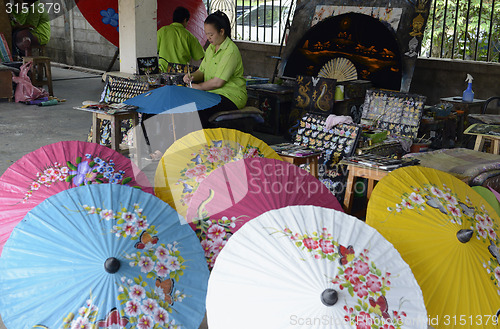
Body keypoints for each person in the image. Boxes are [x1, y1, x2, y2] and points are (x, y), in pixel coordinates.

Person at [183, 10, 247, 127]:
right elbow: (201, 71)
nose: (208, 38)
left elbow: (218, 82)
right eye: (206, 34)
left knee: (199, 110)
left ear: (222, 31)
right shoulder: (211, 49)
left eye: (211, 34)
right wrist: (191, 77)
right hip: (212, 94)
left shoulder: (230, 51)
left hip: (231, 96)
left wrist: (197, 87)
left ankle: (206, 142)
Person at [157, 6, 205, 72]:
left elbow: (152, 50)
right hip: (181, 74)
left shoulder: (162, 31)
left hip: (163, 72)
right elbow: (201, 56)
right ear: (185, 20)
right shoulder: (189, 36)